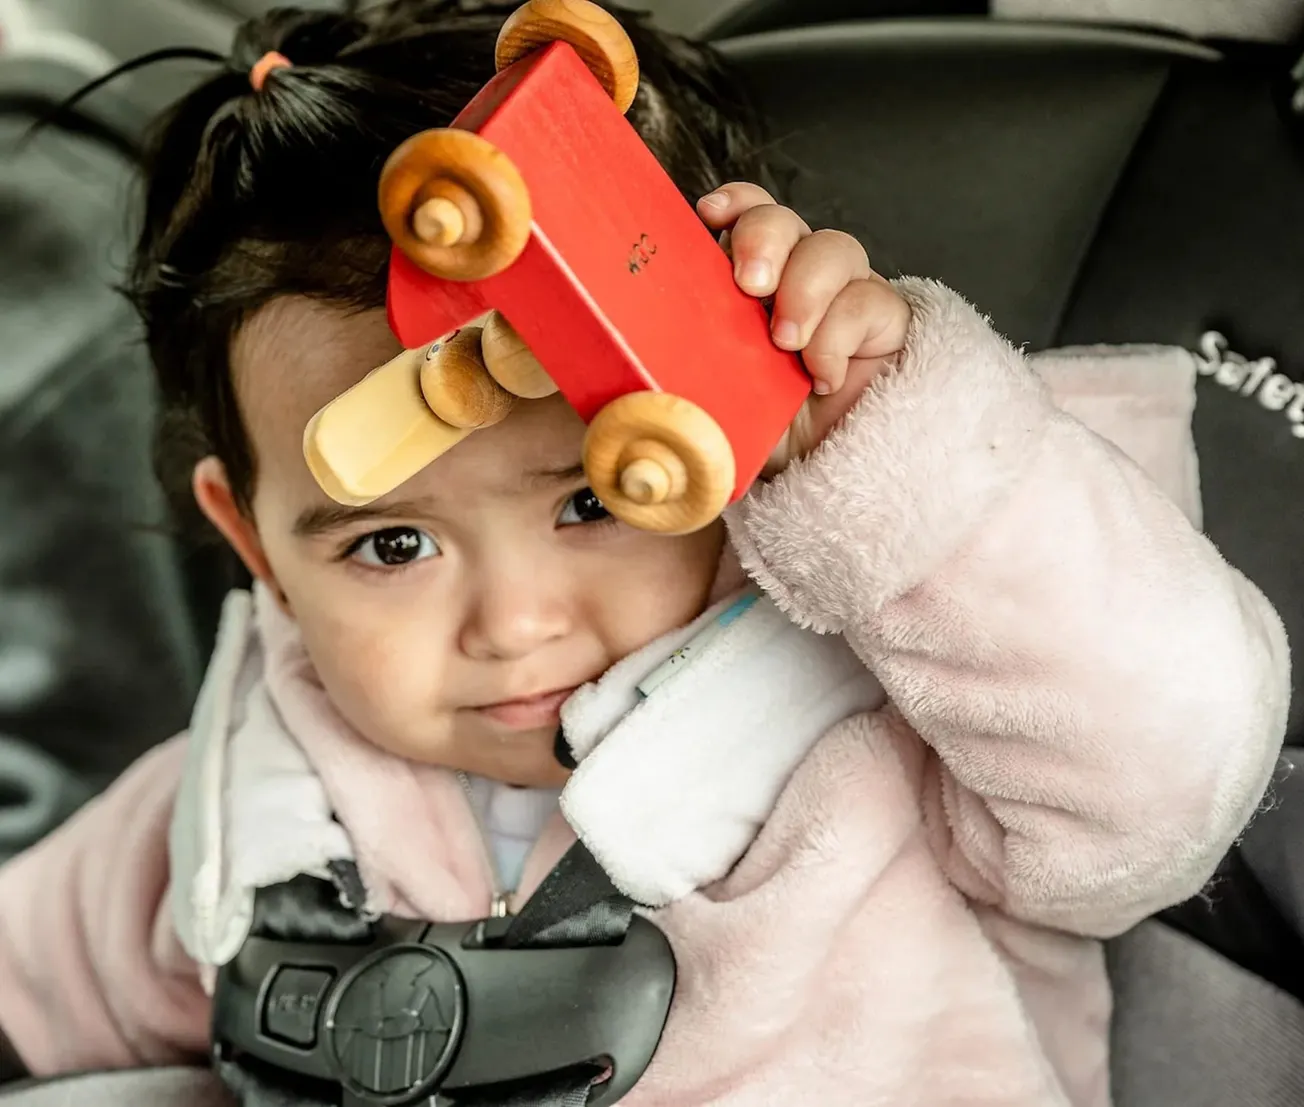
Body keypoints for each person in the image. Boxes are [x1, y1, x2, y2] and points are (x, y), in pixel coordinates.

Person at [0, 1, 1290, 1104]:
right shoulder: (245, 792)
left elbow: (1168, 774)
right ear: (255, 547)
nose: (514, 624)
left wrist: (881, 450)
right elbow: (30, 979)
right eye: (393, 543)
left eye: (593, 504)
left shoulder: (896, 715)